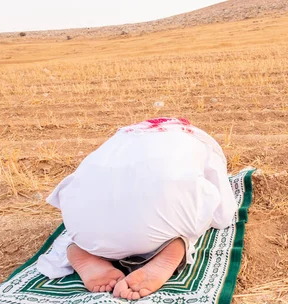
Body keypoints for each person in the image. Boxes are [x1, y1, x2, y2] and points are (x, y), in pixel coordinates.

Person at [35, 117, 237, 300]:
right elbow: (222, 216)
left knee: (91, 220)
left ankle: (80, 247)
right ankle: (176, 245)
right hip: (154, 229)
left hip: (86, 229)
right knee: (195, 203)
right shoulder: (200, 143)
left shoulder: (117, 141)